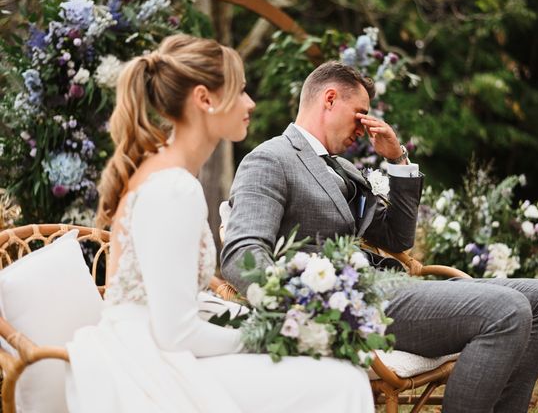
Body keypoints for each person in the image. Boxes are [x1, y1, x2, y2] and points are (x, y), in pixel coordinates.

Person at [220, 60, 538, 413]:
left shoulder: (342, 168)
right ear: (329, 99)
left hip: (391, 286)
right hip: (350, 302)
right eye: (359, 114)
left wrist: (398, 159)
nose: (363, 127)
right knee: (506, 310)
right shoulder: (270, 159)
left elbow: (397, 239)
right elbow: (241, 254)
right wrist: (299, 308)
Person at [65, 36, 374, 413]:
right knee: (341, 382)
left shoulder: (171, 174)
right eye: (241, 90)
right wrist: (277, 336)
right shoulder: (173, 189)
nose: (250, 103)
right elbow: (176, 333)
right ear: (205, 99)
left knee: (340, 374)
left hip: (155, 345)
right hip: (146, 364)